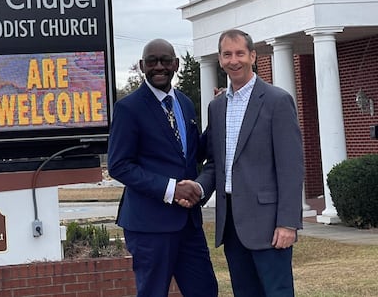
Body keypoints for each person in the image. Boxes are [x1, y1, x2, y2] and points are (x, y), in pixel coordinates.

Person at [184, 29, 304, 297]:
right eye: (227, 54)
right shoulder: (217, 107)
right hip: (232, 226)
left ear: (253, 56)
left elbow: (291, 167)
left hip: (269, 224)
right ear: (220, 59)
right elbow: (216, 163)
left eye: (240, 53)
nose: (234, 60)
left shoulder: (277, 101)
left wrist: (288, 223)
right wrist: (198, 188)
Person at [107, 38, 218, 297]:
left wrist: (218, 115)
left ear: (176, 64)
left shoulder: (185, 102)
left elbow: (191, 154)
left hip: (188, 225)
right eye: (152, 61)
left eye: (165, 61)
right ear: (141, 65)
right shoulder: (128, 108)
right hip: (149, 226)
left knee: (206, 290)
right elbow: (119, 165)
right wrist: (171, 189)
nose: (159, 66)